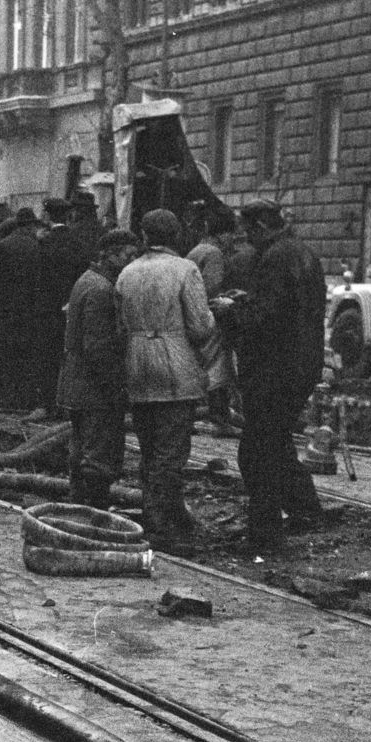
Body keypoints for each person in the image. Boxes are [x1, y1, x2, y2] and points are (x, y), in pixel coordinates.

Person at [213, 199, 327, 551]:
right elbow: (287, 306)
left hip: (274, 368)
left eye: (248, 231)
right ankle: (305, 509)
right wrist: (248, 299)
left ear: (261, 227)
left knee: (257, 452)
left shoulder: (274, 257)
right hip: (302, 363)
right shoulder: (302, 252)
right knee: (275, 441)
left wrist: (231, 310)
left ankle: (265, 536)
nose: (246, 239)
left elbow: (264, 320)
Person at [115, 207, 216, 545]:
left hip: (136, 364)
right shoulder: (185, 269)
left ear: (144, 236)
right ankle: (160, 525)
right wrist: (216, 315)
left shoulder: (127, 272)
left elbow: (120, 326)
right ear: (176, 235)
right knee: (171, 451)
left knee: (149, 448)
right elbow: (200, 327)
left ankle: (167, 512)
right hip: (174, 366)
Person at [56, 229, 140, 508]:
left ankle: (78, 507)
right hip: (94, 388)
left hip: (78, 383)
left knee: (80, 449)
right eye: (128, 255)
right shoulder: (101, 290)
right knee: (99, 455)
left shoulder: (88, 280)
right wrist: (116, 387)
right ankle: (94, 512)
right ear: (111, 255)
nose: (132, 261)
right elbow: (98, 347)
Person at [32, 197, 87, 420]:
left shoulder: (45, 243)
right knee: (69, 356)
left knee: (46, 357)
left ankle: (47, 404)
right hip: (70, 306)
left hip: (46, 308)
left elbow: (39, 278)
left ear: (47, 215)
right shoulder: (76, 241)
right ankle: (66, 404)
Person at [185, 204, 237, 432]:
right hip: (209, 319)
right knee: (218, 370)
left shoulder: (197, 250)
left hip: (192, 317)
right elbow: (211, 288)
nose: (232, 240)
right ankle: (220, 418)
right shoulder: (214, 254)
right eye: (231, 234)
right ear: (223, 234)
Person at [0, 207, 41, 409]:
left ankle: (9, 396)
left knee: (8, 354)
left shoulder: (3, 245)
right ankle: (26, 398)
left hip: (6, 308)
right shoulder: (37, 246)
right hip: (30, 308)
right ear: (30, 225)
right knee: (27, 355)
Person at [68, 191, 103, 269]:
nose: (72, 213)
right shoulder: (99, 227)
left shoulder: (75, 229)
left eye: (73, 210)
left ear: (80, 210)